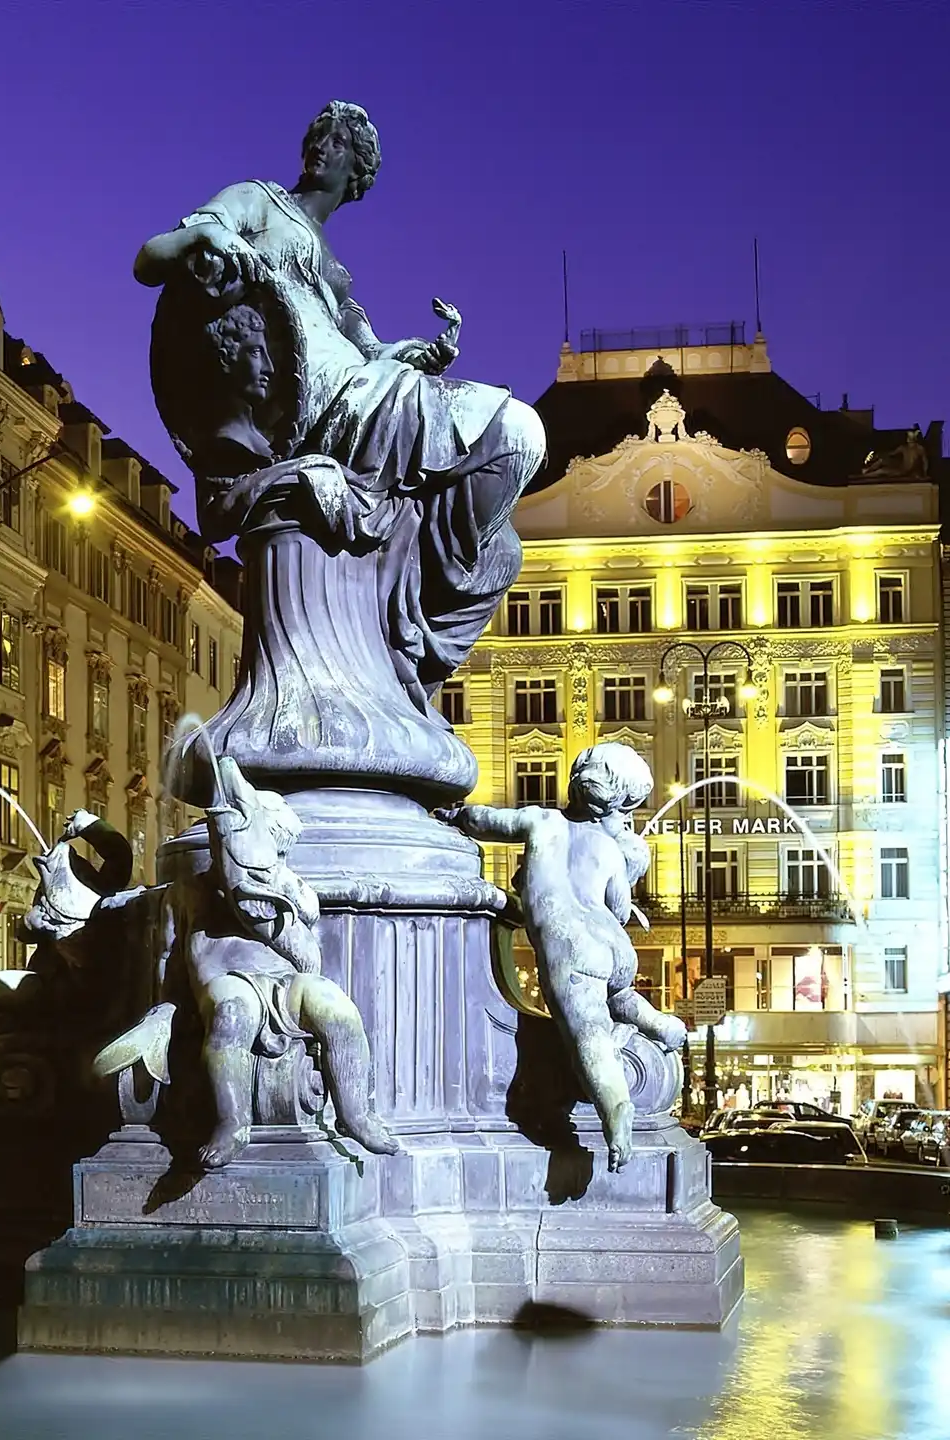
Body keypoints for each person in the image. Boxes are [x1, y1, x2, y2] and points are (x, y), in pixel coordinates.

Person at [134, 100, 545, 700]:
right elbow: (150, 259)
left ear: (356, 172)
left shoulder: (341, 277)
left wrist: (415, 354)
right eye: (317, 137)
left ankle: (415, 626)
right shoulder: (256, 200)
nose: (319, 148)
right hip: (308, 404)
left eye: (336, 144)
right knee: (516, 431)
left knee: (503, 548)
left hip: (359, 386)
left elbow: (368, 349)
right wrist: (207, 233)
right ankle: (417, 604)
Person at [437, 744, 687, 1170]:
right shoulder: (609, 849)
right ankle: (657, 1022)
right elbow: (619, 908)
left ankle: (615, 1107)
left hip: (569, 943)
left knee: (588, 1033)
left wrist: (454, 815)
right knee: (618, 994)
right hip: (611, 943)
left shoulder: (543, 821)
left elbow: (485, 820)